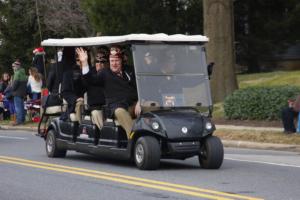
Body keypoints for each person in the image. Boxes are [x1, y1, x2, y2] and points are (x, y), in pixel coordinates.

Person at [76, 46, 140, 139]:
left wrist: (140, 101)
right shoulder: (104, 73)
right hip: (116, 107)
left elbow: (140, 86)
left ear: (121, 61)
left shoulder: (129, 71)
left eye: (117, 60)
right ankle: (134, 139)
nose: (114, 63)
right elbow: (91, 80)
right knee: (120, 111)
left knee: (150, 106)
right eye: (112, 61)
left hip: (133, 105)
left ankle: (162, 136)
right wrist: (85, 63)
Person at [83, 49, 108, 130]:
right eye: (97, 61)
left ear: (107, 63)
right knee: (96, 113)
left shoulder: (110, 73)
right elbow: (88, 79)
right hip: (95, 106)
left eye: (102, 61)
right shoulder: (90, 73)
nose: (99, 64)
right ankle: (103, 134)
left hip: (110, 105)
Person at [60, 47, 85, 123]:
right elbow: (65, 92)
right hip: (77, 101)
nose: (81, 61)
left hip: (92, 101)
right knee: (80, 104)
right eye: (78, 59)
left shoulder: (91, 71)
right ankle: (82, 127)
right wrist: (76, 99)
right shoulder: (69, 74)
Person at [11, 60, 27, 125]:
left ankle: (19, 121)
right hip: (22, 92)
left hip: (17, 93)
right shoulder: (23, 73)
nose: (13, 68)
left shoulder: (17, 73)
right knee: (21, 107)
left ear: (17, 66)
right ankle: (22, 120)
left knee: (18, 107)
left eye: (13, 66)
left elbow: (14, 85)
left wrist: (11, 86)